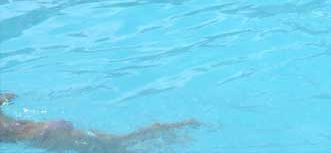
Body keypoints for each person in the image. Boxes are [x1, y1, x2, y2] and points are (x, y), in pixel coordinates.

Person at [0, 92, 198, 152]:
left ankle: (162, 132)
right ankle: (166, 130)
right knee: (118, 142)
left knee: (117, 146)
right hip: (45, 127)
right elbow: (8, 96)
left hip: (47, 135)